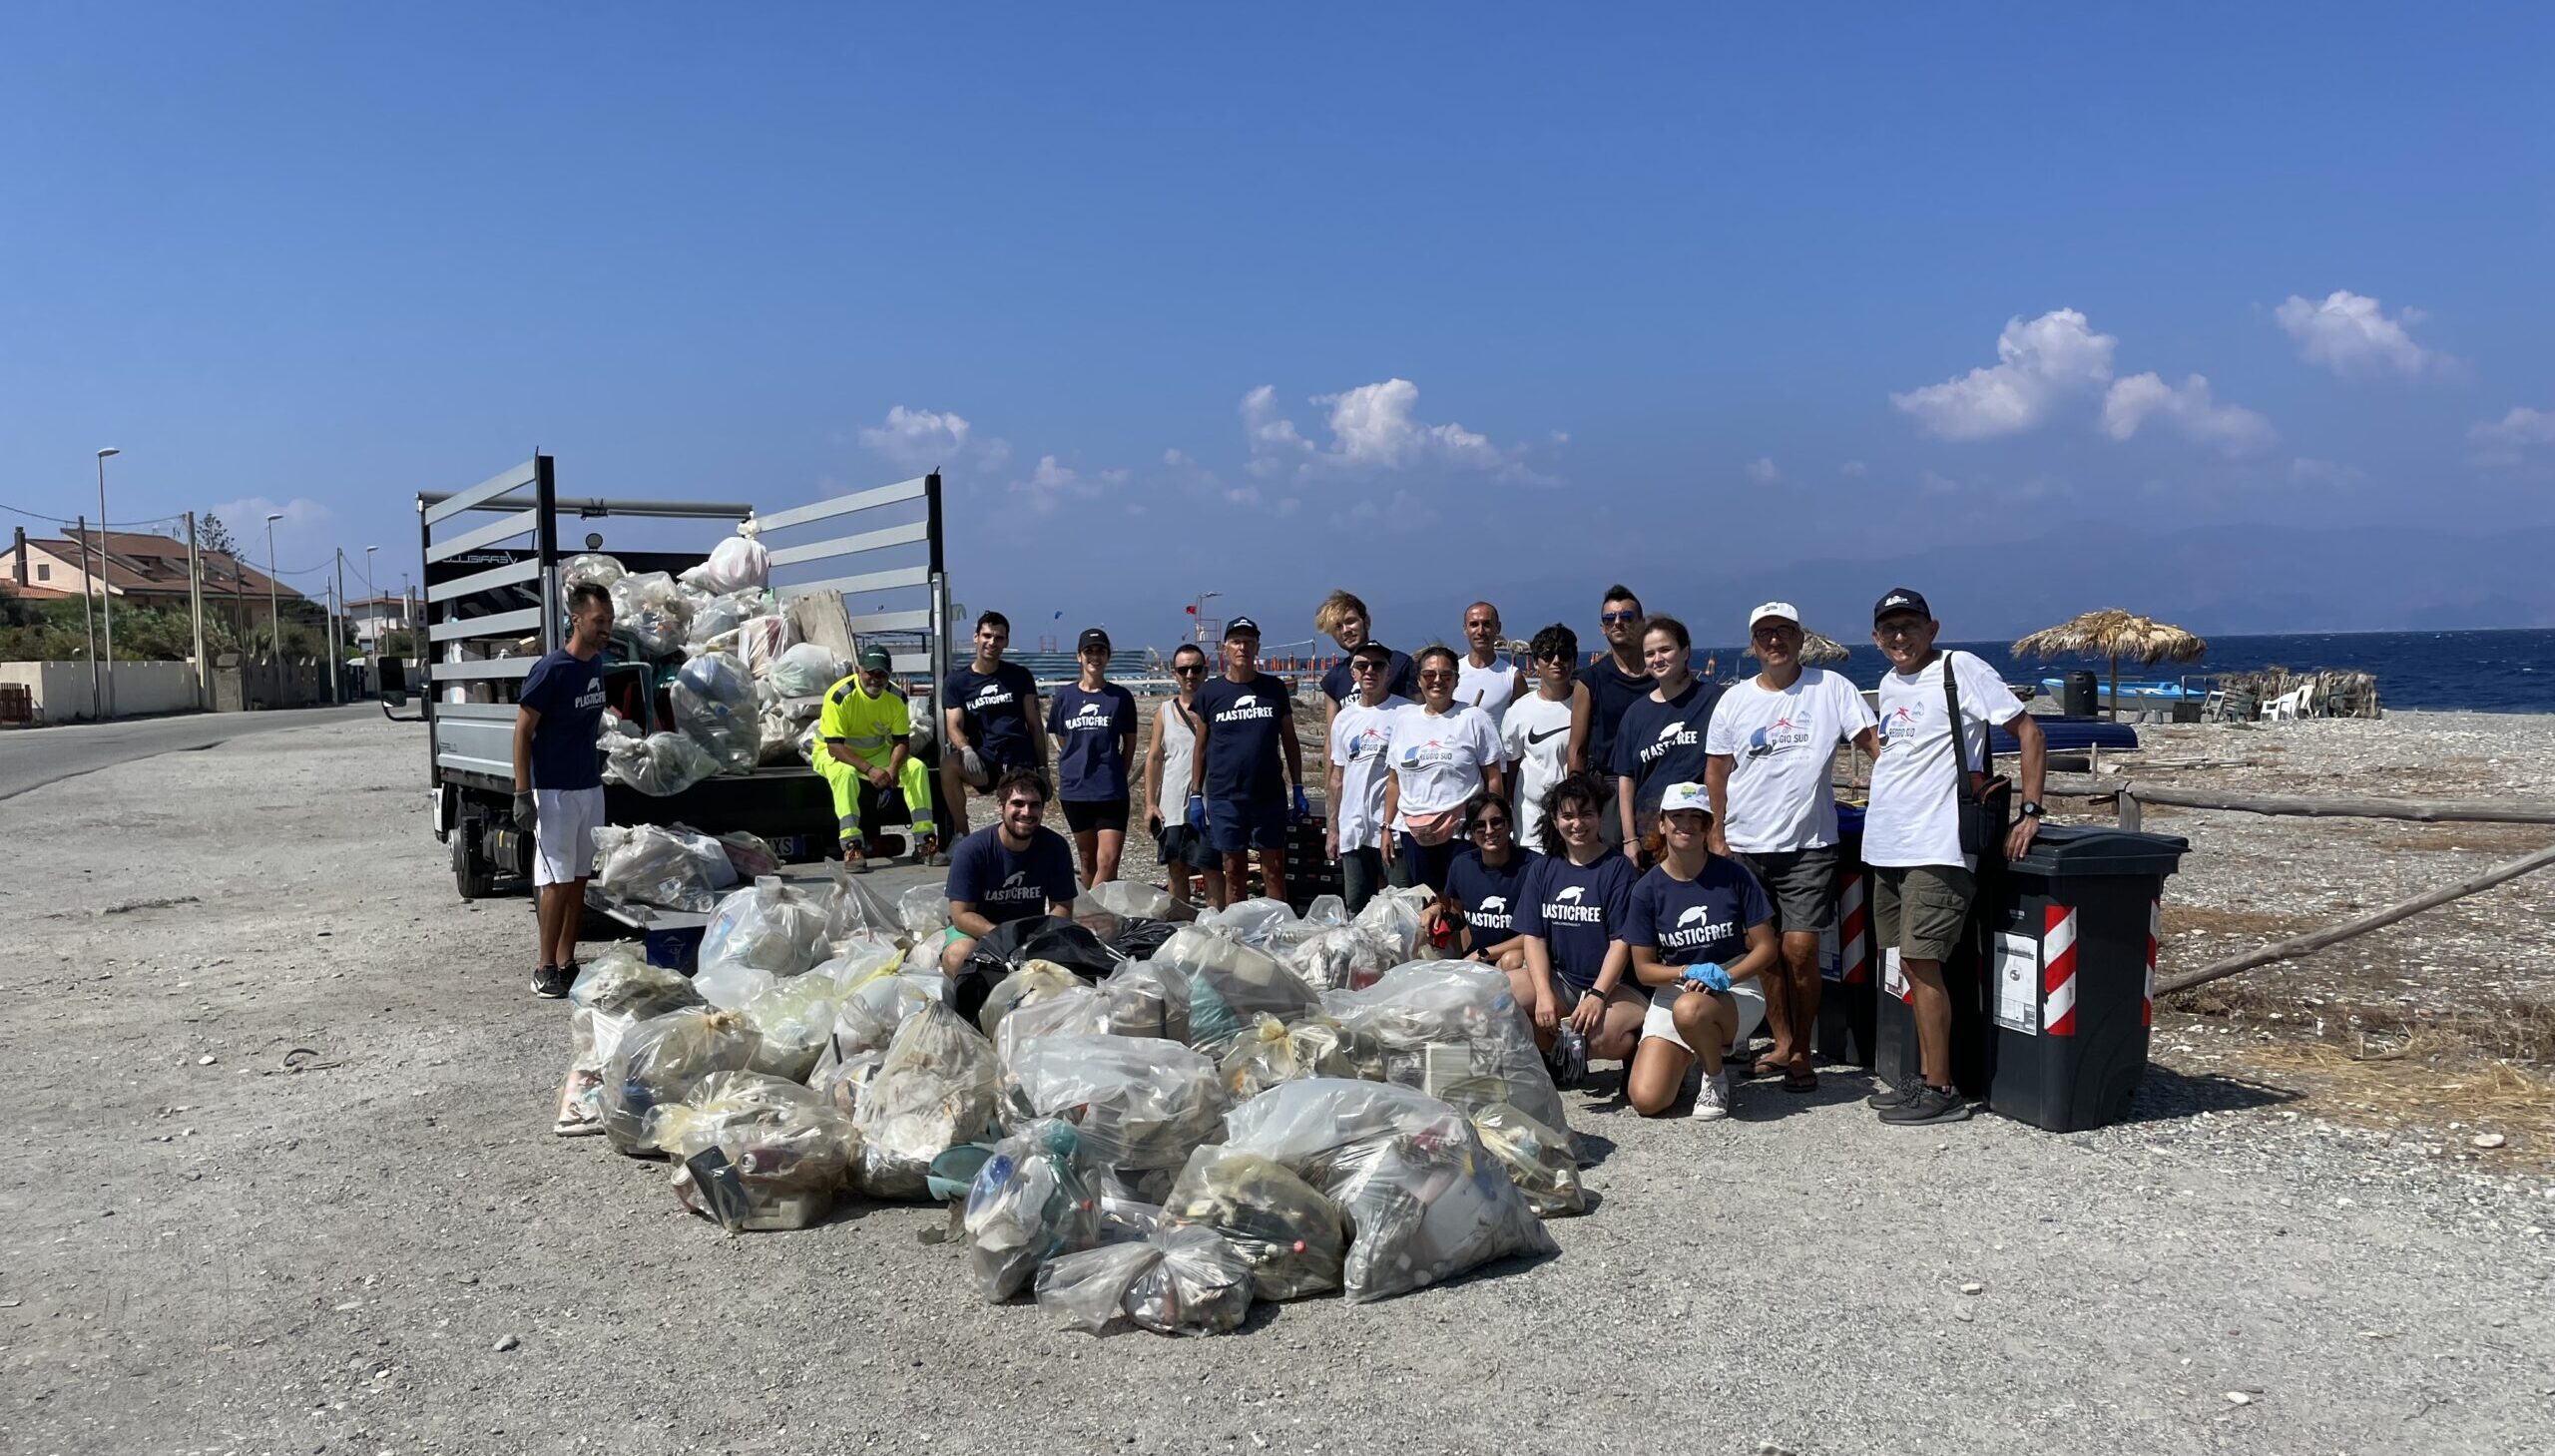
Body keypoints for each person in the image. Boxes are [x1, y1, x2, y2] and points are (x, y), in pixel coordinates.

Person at [1862, 587, 2048, 1127]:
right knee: (1908, 963)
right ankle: (1924, 1076)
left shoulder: (1959, 668)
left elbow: (2028, 732)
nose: (1900, 636)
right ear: (1876, 637)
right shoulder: (1889, 684)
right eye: (1890, 628)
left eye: (1910, 625)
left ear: (1932, 628)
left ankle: (1941, 1087)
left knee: (1922, 962)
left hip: (1938, 844)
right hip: (1889, 846)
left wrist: (2030, 811)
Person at [1704, 602, 1878, 1091]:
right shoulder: (1734, 700)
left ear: (1801, 638)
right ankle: (1782, 1044)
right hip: (1745, 844)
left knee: (1800, 951)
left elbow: (1875, 746)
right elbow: (1717, 771)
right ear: (1753, 645)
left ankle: (1802, 1048)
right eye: (1765, 634)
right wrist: (1717, 833)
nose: (1775, 640)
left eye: (1784, 631)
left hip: (1809, 844)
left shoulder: (1832, 688)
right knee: (1763, 951)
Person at [1622, 782, 1780, 1120]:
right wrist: (1684, 971)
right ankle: (1690, 1053)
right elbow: (1644, 970)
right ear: (1661, 824)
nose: (1686, 825)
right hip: (1676, 988)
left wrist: (1727, 976)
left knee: (1691, 1009)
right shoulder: (1646, 889)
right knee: (1647, 1100)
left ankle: (1715, 1076)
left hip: (1735, 987)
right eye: (1677, 816)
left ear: (1708, 825)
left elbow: (1767, 948)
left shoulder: (1734, 875)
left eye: (1696, 817)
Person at [513, 583, 614, 999]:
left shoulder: (596, 665)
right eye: (599, 621)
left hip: (589, 788)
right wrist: (523, 792)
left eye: (609, 620)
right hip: (554, 791)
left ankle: (567, 962)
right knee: (554, 879)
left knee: (578, 879)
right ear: (576, 620)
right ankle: (544, 968)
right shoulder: (551, 670)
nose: (606, 628)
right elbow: (522, 732)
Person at [1512, 772, 1643, 1077]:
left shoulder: (1618, 868)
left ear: (1599, 817)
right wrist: (1544, 993)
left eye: (1586, 814)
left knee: (1598, 1039)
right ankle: (1557, 1055)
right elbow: (1534, 937)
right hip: (1564, 980)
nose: (1577, 824)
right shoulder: (1543, 868)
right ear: (1555, 820)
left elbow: (1621, 942)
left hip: (1616, 986)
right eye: (1568, 816)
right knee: (1498, 998)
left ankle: (1638, 1051)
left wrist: (1598, 995)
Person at [1190, 616, 1308, 909]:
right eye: (1236, 641)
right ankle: (1239, 928)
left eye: (1248, 642)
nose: (1242, 647)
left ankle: (1277, 925)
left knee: (1274, 869)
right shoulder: (1210, 693)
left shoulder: (1274, 689)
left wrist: (1298, 786)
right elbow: (1201, 746)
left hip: (1268, 795)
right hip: (1225, 796)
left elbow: (1290, 740)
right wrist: (1195, 794)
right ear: (1225, 648)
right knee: (1233, 870)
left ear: (1257, 647)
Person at [1379, 644, 1505, 894]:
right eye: (1429, 674)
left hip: (1462, 833)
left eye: (1446, 675)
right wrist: (1386, 828)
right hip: (1414, 834)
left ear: (1456, 680)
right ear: (1419, 680)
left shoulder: (1474, 718)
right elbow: (1394, 781)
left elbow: (1493, 778)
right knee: (1429, 904)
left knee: (1463, 902)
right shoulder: (1404, 721)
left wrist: (1493, 824)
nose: (1437, 680)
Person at [939, 766, 1081, 978]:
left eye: (1035, 805)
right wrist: (1005, 938)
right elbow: (961, 915)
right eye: (1018, 803)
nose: (1026, 812)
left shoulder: (1055, 847)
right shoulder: (972, 850)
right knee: (959, 956)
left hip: (1030, 934)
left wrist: (1040, 940)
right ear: (1001, 805)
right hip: (976, 932)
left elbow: (1062, 907)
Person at [809, 645, 940, 872]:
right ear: (858, 670)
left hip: (877, 752)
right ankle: (851, 845)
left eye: (882, 674)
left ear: (890, 674)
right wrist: (870, 770)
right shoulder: (840, 696)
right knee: (845, 774)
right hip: (834, 751)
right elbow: (834, 747)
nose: (876, 679)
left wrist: (893, 768)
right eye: (870, 672)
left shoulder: (897, 697)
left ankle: (924, 842)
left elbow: (901, 741)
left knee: (916, 768)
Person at [1610, 615, 1722, 865]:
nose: (1657, 659)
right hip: (1650, 839)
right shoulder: (1635, 714)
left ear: (1685, 651)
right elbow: (1626, 779)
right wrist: (1629, 839)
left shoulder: (1715, 700)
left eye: (1665, 650)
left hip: (1699, 836)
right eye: (1649, 654)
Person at [939, 611, 1047, 842]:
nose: (992, 642)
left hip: (1018, 757)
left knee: (1020, 807)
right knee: (948, 766)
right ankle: (963, 837)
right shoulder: (957, 681)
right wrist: (966, 749)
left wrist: (1044, 768)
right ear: (976, 637)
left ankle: (1022, 843)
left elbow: (1035, 725)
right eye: (987, 636)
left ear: (1006, 641)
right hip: (984, 759)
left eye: (999, 638)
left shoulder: (1019, 676)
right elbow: (953, 725)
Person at [1045, 628, 1140, 889]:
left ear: (1108, 657)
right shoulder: (1064, 697)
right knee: (1088, 860)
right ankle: (1092, 910)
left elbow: (1129, 742)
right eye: (1089, 651)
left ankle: (1090, 908)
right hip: (1075, 789)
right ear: (1079, 656)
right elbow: (1062, 739)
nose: (1095, 657)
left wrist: (1118, 772)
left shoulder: (1120, 698)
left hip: (1110, 789)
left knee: (1108, 861)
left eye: (1101, 651)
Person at [1325, 640, 1408, 912]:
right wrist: (1333, 829)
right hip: (1354, 830)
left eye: (1378, 665)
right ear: (1353, 673)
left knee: (1401, 908)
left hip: (1394, 830)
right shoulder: (1344, 718)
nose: (1370, 671)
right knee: (1357, 909)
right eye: (1362, 666)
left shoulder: (1407, 713)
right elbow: (1337, 778)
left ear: (1389, 672)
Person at [1141, 642, 1226, 908]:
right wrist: (1150, 804)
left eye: (1196, 669)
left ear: (1205, 671)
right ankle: (1181, 922)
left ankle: (1215, 923)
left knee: (1211, 866)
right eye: (1183, 670)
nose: (1190, 675)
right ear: (1174, 674)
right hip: (1173, 804)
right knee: (1176, 866)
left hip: (1209, 802)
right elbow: (1154, 757)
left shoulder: (1217, 707)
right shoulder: (1165, 711)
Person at [1577, 584, 1654, 850]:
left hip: (1654, 780)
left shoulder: (1662, 676)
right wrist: (1579, 802)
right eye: (1610, 618)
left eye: (1627, 617)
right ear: (1602, 628)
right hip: (1607, 788)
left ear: (1642, 623)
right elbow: (1576, 749)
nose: (1618, 623)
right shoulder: (1590, 680)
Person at [1500, 623, 1589, 849]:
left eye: (1564, 654)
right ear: (1537, 662)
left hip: (1577, 822)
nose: (1556, 661)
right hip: (1531, 824)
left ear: (1574, 660)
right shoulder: (1519, 710)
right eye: (1548, 655)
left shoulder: (1587, 704)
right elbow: (1511, 767)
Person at [1445, 791, 1539, 974]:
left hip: (1513, 962)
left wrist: (1483, 954)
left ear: (1510, 824)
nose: (1489, 831)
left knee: (1512, 959)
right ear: (1471, 833)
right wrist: (1438, 912)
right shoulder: (1461, 865)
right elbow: (1459, 916)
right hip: (1475, 961)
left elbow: (1537, 933)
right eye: (1480, 826)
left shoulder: (1534, 867)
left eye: (1496, 822)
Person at [1313, 589, 1416, 744]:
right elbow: (1332, 737)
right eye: (1338, 627)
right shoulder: (1334, 679)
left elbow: (1421, 716)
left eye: (1350, 621)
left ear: (1366, 621)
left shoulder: (1400, 664)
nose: (1346, 631)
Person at [1456, 600, 1526, 717]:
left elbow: (1522, 720)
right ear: (1465, 629)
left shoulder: (1512, 677)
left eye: (1487, 624)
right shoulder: (1452, 673)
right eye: (1474, 624)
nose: (1481, 631)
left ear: (1498, 627)